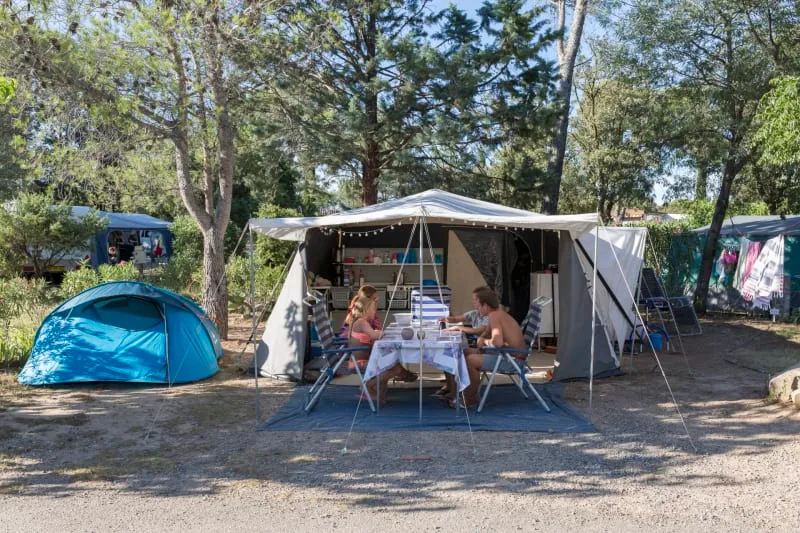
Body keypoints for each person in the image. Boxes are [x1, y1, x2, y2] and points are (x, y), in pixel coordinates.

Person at [443, 286, 526, 409]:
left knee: (469, 361)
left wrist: (484, 341)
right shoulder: (497, 315)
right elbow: (485, 335)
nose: (475, 306)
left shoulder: (494, 317)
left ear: (485, 305)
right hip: (506, 354)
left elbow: (497, 343)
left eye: (477, 303)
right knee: (464, 352)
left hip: (511, 360)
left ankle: (470, 399)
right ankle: (456, 391)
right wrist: (481, 342)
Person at [433, 286, 491, 398]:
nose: (472, 302)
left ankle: (455, 391)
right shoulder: (475, 314)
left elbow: (479, 330)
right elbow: (457, 319)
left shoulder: (490, 317)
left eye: (475, 300)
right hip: (478, 346)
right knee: (448, 353)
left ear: (483, 303)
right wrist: (447, 319)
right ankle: (450, 386)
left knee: (454, 355)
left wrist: (459, 328)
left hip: (486, 350)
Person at [347, 296, 405, 404]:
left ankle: (380, 394)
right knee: (394, 367)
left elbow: (370, 336)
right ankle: (368, 385)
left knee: (393, 364)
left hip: (361, 360)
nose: (375, 311)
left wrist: (376, 333)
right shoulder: (362, 322)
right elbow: (375, 336)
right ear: (366, 309)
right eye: (374, 309)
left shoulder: (358, 321)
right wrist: (380, 333)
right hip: (359, 363)